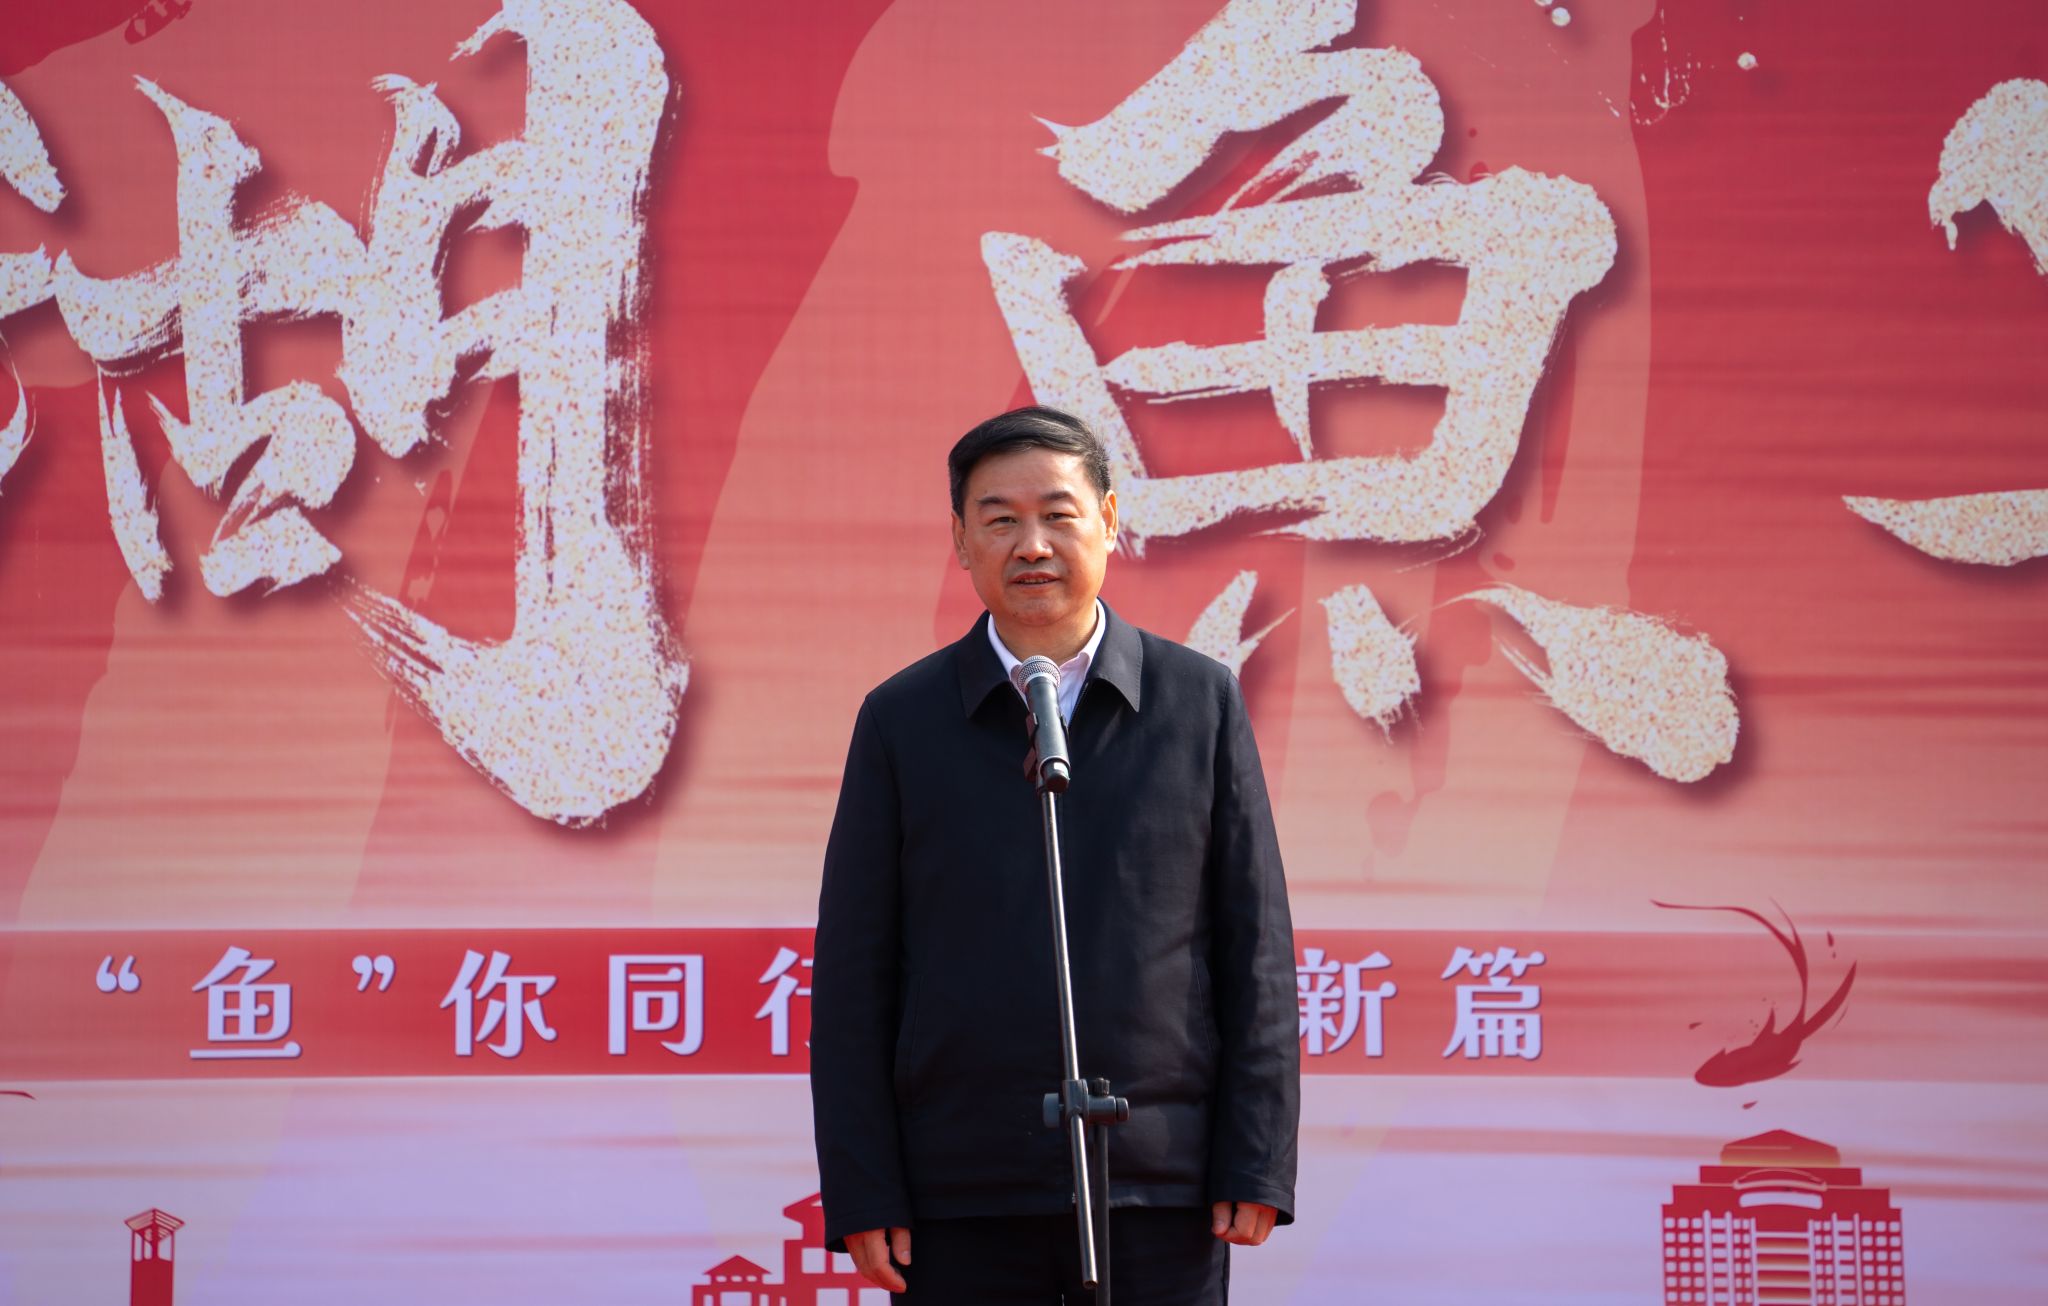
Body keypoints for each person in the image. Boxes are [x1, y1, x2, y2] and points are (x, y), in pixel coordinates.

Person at [810, 406, 1299, 1303]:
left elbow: (1254, 948)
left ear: (1108, 520)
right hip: (962, 1191)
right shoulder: (902, 721)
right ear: (960, 541)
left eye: (1057, 514)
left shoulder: (1199, 703)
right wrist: (863, 1184)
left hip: (1161, 1187)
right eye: (999, 519)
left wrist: (1255, 1157)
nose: (1031, 544)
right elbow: (853, 973)